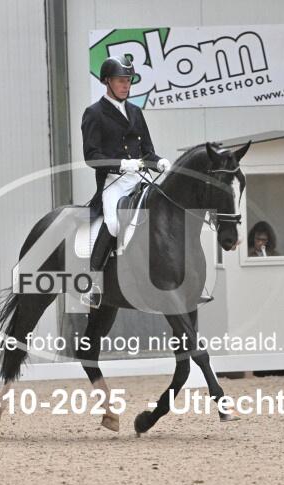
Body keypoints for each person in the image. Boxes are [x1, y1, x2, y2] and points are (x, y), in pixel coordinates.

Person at [80, 55, 171, 308]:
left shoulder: (135, 112)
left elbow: (147, 152)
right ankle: (91, 283)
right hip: (114, 181)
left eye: (128, 81)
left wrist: (159, 162)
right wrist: (120, 164)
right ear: (107, 81)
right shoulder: (94, 113)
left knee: (165, 213)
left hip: (140, 178)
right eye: (121, 80)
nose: (126, 85)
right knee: (113, 223)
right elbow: (91, 157)